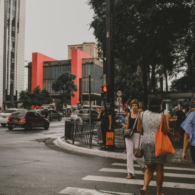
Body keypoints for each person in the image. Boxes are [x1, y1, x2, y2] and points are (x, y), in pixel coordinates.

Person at [137, 95, 168, 195]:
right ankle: (158, 193)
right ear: (159, 104)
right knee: (159, 169)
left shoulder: (142, 114)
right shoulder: (162, 116)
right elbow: (166, 131)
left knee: (149, 168)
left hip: (146, 142)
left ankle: (145, 187)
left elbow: (138, 129)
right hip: (158, 143)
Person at [125, 99, 145, 179]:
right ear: (131, 106)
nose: (134, 107)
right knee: (129, 154)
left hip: (138, 135)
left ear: (138, 106)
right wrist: (125, 131)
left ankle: (143, 166)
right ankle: (130, 173)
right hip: (129, 135)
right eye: (133, 105)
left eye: (135, 105)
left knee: (137, 154)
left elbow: (140, 127)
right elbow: (128, 125)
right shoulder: (129, 114)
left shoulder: (140, 114)